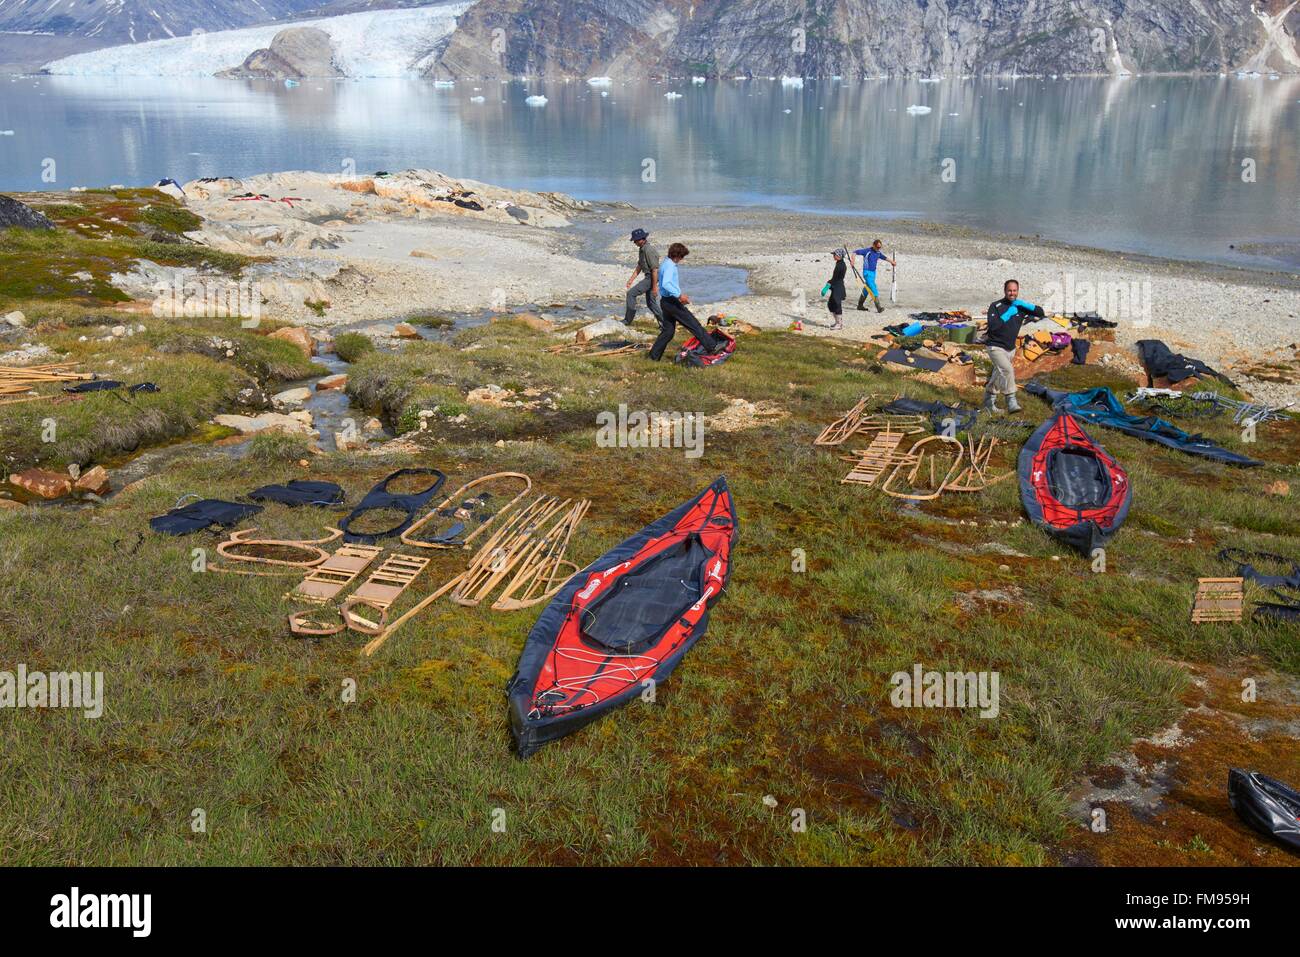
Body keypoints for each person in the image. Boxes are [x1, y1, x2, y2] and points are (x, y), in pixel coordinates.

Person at [648, 243, 723, 361]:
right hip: (671, 302)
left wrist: (678, 296)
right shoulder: (670, 266)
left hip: (666, 302)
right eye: (682, 257)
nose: (682, 260)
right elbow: (666, 284)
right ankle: (712, 346)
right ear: (677, 255)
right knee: (693, 324)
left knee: (668, 332)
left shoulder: (666, 263)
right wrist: (679, 295)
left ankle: (653, 357)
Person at [983, 279, 1046, 414]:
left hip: (1010, 348)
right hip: (995, 346)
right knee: (1007, 370)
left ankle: (988, 403)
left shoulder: (1020, 306)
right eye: (1009, 290)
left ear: (1018, 291)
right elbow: (993, 327)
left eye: (1014, 290)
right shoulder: (995, 306)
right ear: (1005, 291)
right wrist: (1007, 315)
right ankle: (1011, 400)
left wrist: (1026, 305)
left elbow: (1041, 313)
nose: (1012, 293)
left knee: (998, 374)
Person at [623, 228, 663, 326]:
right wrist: (631, 280)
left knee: (631, 294)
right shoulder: (642, 249)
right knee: (651, 304)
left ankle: (627, 320)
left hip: (652, 277)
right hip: (649, 277)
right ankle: (665, 323)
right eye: (634, 241)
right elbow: (640, 266)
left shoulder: (648, 250)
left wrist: (654, 287)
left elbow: (654, 270)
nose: (634, 242)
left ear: (642, 239)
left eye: (636, 240)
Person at [853, 239, 896, 313]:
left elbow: (884, 257)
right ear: (873, 245)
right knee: (873, 288)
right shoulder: (867, 251)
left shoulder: (878, 252)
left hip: (873, 273)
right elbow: (855, 252)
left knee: (866, 289)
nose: (878, 249)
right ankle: (878, 307)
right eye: (877, 247)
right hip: (867, 273)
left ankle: (860, 305)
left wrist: (891, 261)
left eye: (880, 247)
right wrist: (852, 260)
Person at [822, 249, 848, 331]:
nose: (833, 256)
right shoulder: (839, 263)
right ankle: (837, 322)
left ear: (839, 256)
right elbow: (835, 278)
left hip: (838, 287)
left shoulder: (841, 265)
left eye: (835, 254)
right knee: (831, 304)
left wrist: (827, 285)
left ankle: (839, 324)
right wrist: (829, 284)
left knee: (837, 304)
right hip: (836, 286)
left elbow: (836, 278)